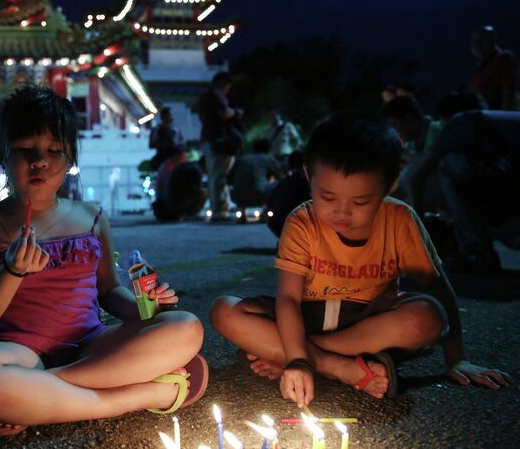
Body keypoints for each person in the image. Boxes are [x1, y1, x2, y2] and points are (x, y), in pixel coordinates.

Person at [0, 86, 207, 436]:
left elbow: (109, 290)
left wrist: (148, 310)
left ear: (69, 161)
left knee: (186, 327)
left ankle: (36, 391)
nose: (40, 161)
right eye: (26, 150)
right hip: (15, 351)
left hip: (91, 344)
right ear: (4, 156)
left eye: (54, 151)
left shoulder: (91, 216)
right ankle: (144, 394)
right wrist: (12, 272)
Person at [210, 112, 511, 408]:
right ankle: (337, 367)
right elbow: (287, 298)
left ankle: (285, 352)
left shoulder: (399, 220)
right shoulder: (302, 221)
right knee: (224, 310)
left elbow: (436, 285)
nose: (342, 213)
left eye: (361, 202)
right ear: (308, 175)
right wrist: (299, 359)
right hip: (306, 316)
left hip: (367, 325)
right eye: (327, 198)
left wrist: (457, 358)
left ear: (389, 184)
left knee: (428, 316)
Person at [410, 110, 520, 272]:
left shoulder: (457, 123)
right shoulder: (493, 124)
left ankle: (475, 250)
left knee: (448, 163)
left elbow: (417, 178)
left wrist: (417, 228)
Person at [194, 72, 242, 221]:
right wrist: (236, 113)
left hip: (209, 139)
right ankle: (220, 211)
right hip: (218, 140)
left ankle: (221, 207)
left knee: (215, 175)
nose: (228, 89)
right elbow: (224, 114)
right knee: (218, 176)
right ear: (222, 82)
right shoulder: (216, 95)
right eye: (228, 86)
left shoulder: (205, 96)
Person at [381, 96, 442, 208]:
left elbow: (432, 160)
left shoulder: (435, 129)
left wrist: (402, 153)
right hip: (433, 188)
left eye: (395, 125)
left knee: (408, 172)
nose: (394, 131)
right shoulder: (412, 142)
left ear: (409, 119)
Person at [229, 138, 281, 222]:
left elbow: (229, 178)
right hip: (260, 195)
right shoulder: (269, 159)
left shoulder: (241, 159)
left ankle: (242, 214)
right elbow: (280, 178)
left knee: (242, 184)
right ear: (268, 149)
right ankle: (265, 214)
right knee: (277, 185)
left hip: (238, 196)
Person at [469, 26, 517, 110]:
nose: (478, 45)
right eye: (474, 42)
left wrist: (504, 118)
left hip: (496, 117)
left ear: (493, 40)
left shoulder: (503, 58)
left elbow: (509, 91)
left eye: (482, 40)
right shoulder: (479, 67)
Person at [265, 150, 310, 237]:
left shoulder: (282, 183)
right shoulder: (308, 182)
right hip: (303, 226)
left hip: (280, 226)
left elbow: (270, 203)